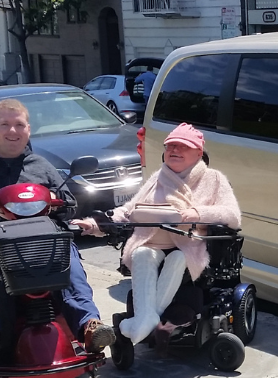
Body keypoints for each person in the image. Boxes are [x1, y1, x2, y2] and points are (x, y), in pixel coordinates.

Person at [0, 99, 115, 368]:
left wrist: (56, 199)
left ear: (28, 129)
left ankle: (89, 326)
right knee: (0, 260)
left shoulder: (41, 164)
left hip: (45, 238)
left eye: (19, 125)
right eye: (5, 124)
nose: (12, 131)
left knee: (69, 258)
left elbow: (68, 203)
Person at [73, 123, 240, 344]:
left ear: (199, 152)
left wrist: (197, 212)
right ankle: (150, 320)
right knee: (141, 253)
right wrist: (96, 224)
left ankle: (138, 323)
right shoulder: (158, 178)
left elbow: (232, 215)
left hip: (189, 245)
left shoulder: (214, 179)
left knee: (178, 258)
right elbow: (129, 210)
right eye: (170, 145)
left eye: (183, 146)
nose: (175, 150)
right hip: (151, 242)